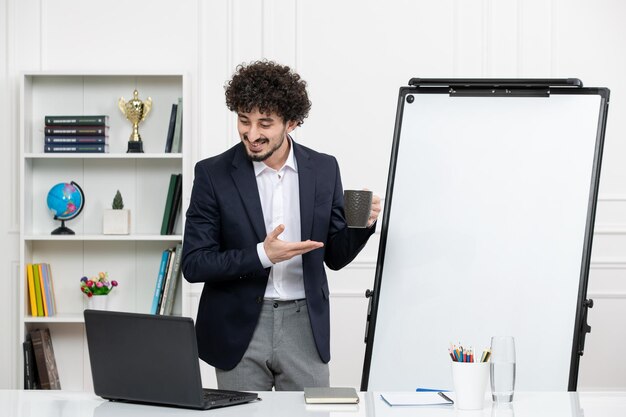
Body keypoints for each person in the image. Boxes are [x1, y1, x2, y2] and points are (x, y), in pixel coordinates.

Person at [181, 60, 381, 391]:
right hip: (239, 330)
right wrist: (263, 254)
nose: (252, 134)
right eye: (244, 121)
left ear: (292, 123)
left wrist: (362, 225)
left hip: (305, 325)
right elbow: (194, 263)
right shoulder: (212, 175)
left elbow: (335, 257)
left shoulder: (324, 168)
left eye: (265, 123)